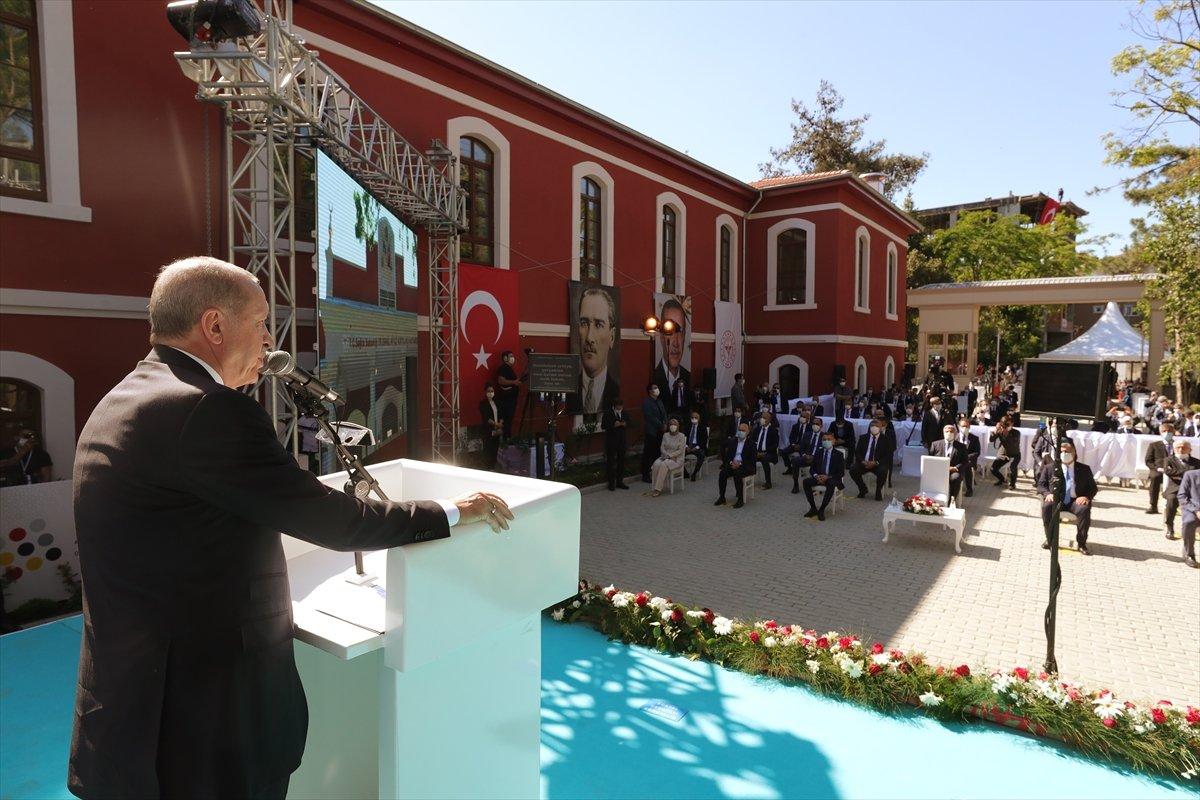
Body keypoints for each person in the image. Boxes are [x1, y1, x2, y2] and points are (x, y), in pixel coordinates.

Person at [68, 257, 514, 800]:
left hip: (134, 720)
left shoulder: (123, 398)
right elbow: (332, 520)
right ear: (214, 326)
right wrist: (450, 511)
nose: (268, 343)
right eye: (259, 324)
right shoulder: (208, 411)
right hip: (204, 735)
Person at [1037, 441, 1098, 555]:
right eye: (1061, 451)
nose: (1064, 453)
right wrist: (1047, 494)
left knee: (1084, 509)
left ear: (1074, 453)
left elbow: (1093, 488)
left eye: (1067, 451)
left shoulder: (1084, 469)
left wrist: (1086, 496)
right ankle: (1050, 539)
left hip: (1075, 500)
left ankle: (1081, 543)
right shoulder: (1050, 468)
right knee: (1047, 507)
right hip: (1056, 499)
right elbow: (1041, 485)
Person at [577, 287, 620, 414]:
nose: (589, 338)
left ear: (611, 336)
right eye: (584, 323)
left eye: (598, 325)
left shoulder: (616, 391)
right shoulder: (569, 391)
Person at [652, 298, 690, 409]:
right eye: (670, 332)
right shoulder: (654, 378)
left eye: (680, 332)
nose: (676, 343)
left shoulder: (688, 377)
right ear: (661, 336)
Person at [802, 431, 845, 521]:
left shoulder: (838, 455)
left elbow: (841, 473)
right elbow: (812, 469)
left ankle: (821, 509)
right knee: (806, 482)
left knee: (831, 484)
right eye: (824, 439)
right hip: (819, 477)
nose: (826, 441)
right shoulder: (818, 452)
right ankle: (813, 508)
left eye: (829, 439)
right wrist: (816, 476)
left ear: (833, 441)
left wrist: (828, 477)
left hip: (831, 478)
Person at [849, 418, 895, 501]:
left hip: (878, 464)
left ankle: (878, 491)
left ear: (881, 427)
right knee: (852, 470)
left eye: (877, 426)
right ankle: (863, 488)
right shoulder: (863, 437)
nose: (874, 427)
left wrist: (876, 462)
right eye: (872, 425)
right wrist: (862, 461)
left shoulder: (886, 439)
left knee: (883, 471)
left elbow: (888, 455)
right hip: (864, 463)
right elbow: (857, 452)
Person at [715, 421, 757, 508]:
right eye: (739, 430)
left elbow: (751, 460)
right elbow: (728, 457)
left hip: (745, 466)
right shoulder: (733, 442)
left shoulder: (751, 444)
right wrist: (731, 463)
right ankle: (722, 497)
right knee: (722, 473)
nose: (741, 432)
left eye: (743, 430)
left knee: (737, 474)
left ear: (748, 432)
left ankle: (740, 499)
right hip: (733, 464)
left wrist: (740, 464)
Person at [1164, 439, 1200, 541]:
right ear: (1174, 449)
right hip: (1174, 489)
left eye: (1184, 447)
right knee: (1171, 502)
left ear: (1190, 449)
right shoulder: (1169, 460)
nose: (1181, 449)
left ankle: (1196, 529)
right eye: (1178, 447)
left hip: (1192, 490)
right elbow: (1168, 472)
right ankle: (1170, 528)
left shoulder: (1197, 462)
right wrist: (1189, 473)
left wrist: (1178, 474)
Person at [929, 424, 968, 501]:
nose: (949, 433)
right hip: (938, 470)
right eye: (947, 431)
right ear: (943, 433)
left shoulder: (961, 446)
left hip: (954, 470)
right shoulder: (935, 444)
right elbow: (930, 459)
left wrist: (955, 468)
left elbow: (965, 461)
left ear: (955, 433)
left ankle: (951, 501)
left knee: (956, 478)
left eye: (951, 431)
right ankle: (933, 500)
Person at [650, 416, 686, 497]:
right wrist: (666, 455)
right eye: (671, 424)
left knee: (663, 464)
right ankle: (655, 486)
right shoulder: (665, 435)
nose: (673, 426)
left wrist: (670, 456)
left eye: (674, 425)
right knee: (656, 464)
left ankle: (658, 489)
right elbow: (662, 447)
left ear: (678, 426)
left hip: (676, 459)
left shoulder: (681, 436)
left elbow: (680, 450)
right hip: (665, 456)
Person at [1145, 423, 1175, 515]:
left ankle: (1174, 506)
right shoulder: (1154, 445)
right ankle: (1153, 506)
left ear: (1173, 432)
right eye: (1164, 431)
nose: (1167, 433)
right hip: (1158, 469)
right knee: (1155, 477)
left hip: (1174, 470)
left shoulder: (1178, 445)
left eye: (1169, 431)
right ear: (1160, 432)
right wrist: (1157, 468)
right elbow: (1148, 460)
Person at [789, 417, 825, 493]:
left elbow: (825, 451)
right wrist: (805, 455)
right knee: (795, 460)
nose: (815, 425)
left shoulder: (824, 436)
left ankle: (816, 484)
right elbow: (801, 448)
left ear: (821, 426)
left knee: (820, 464)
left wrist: (814, 457)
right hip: (806, 457)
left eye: (817, 424)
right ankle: (796, 484)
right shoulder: (807, 434)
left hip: (818, 459)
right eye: (814, 424)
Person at [641, 383, 667, 484]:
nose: (657, 389)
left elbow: (664, 413)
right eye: (655, 388)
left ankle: (657, 473)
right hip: (652, 431)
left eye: (657, 387)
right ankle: (645, 474)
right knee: (648, 453)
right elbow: (650, 417)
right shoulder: (647, 402)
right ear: (650, 391)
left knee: (658, 453)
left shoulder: (659, 401)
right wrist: (661, 425)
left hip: (661, 432)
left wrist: (665, 423)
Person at [602, 398, 630, 491]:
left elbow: (630, 423)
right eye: (618, 407)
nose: (620, 408)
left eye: (621, 407)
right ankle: (611, 483)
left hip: (622, 440)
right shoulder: (608, 413)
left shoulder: (624, 413)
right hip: (611, 441)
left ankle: (620, 481)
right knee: (611, 462)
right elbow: (603, 425)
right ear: (614, 406)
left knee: (621, 461)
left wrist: (625, 424)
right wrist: (613, 425)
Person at [1176, 468, 1200, 568]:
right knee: (1190, 521)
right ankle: (1189, 553)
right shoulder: (1190, 475)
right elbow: (1182, 496)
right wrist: (1196, 511)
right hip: (1192, 508)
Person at [495, 350, 521, 438]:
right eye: (510, 356)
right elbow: (501, 380)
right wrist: (514, 382)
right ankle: (506, 442)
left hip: (511, 400)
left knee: (509, 422)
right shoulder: (503, 368)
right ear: (505, 358)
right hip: (506, 401)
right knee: (506, 422)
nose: (513, 358)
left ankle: (508, 440)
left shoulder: (509, 369)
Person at [990, 417, 1021, 489]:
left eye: (1008, 424)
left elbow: (1013, 443)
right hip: (1003, 454)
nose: (1006, 426)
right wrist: (996, 430)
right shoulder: (1000, 431)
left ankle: (1012, 484)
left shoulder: (1016, 432)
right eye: (1004, 424)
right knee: (993, 469)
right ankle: (1003, 480)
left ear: (1012, 424)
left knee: (1013, 467)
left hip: (1015, 454)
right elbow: (991, 440)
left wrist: (1006, 433)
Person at [751, 410, 780, 489]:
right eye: (762, 417)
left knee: (765, 459)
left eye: (764, 418)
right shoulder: (757, 429)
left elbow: (775, 444)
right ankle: (748, 478)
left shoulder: (773, 431)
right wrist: (755, 451)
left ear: (769, 420)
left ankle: (768, 482)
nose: (762, 419)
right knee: (747, 456)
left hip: (769, 453)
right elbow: (751, 441)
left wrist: (765, 452)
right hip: (757, 452)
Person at [955, 417, 981, 496]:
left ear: (969, 427)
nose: (965, 428)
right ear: (959, 427)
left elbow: (977, 452)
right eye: (963, 426)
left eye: (967, 426)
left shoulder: (974, 438)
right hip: (956, 460)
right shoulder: (954, 438)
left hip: (969, 461)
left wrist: (966, 457)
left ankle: (969, 489)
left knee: (967, 465)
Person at [479, 383, 503, 470]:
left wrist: (500, 424)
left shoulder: (497, 402)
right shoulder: (483, 403)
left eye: (492, 391)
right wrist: (496, 424)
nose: (490, 393)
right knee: (488, 449)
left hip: (497, 430)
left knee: (495, 450)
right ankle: (488, 468)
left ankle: (493, 467)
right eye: (489, 391)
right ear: (485, 392)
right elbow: (487, 418)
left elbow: (501, 414)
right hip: (488, 431)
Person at [683, 410, 708, 481]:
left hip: (698, 446)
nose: (694, 419)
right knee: (679, 455)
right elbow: (683, 438)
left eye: (695, 417)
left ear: (698, 418)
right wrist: (686, 446)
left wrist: (696, 447)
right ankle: (685, 473)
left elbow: (704, 440)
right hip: (688, 446)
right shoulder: (687, 427)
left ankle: (694, 473)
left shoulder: (702, 427)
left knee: (701, 455)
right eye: (692, 417)